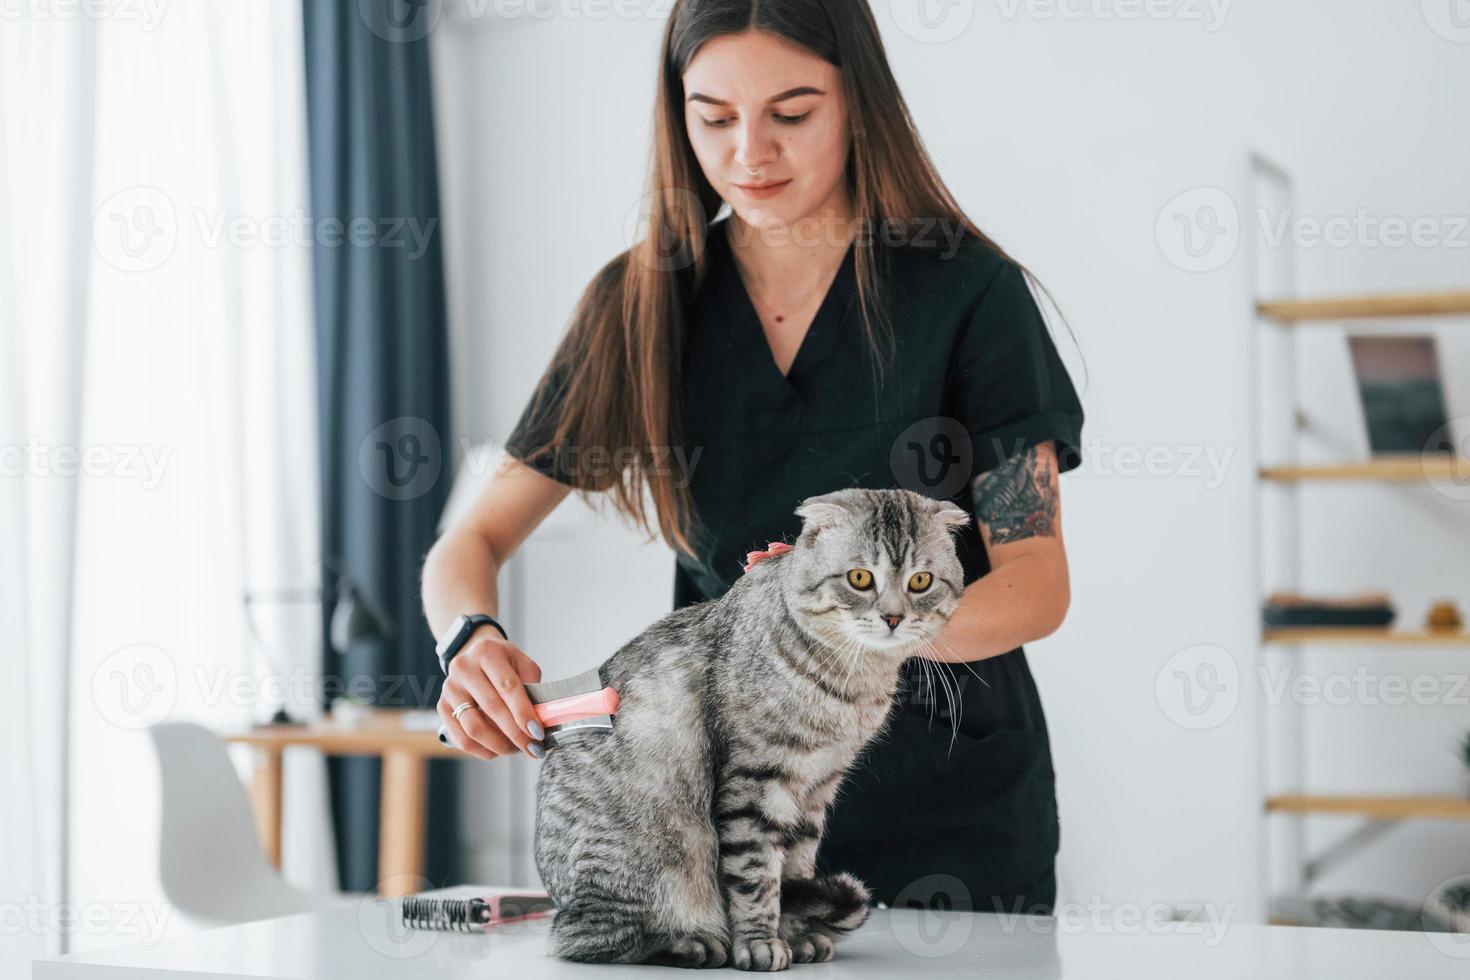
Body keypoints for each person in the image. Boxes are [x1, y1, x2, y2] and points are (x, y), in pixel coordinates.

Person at [420, 0, 1086, 918]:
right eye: (715, 117)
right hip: (717, 829)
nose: (749, 155)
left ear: (860, 101)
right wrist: (470, 642)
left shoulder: (969, 293)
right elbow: (470, 543)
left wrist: (854, 624)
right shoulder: (638, 304)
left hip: (950, 820)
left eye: (793, 112)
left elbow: (1036, 584)